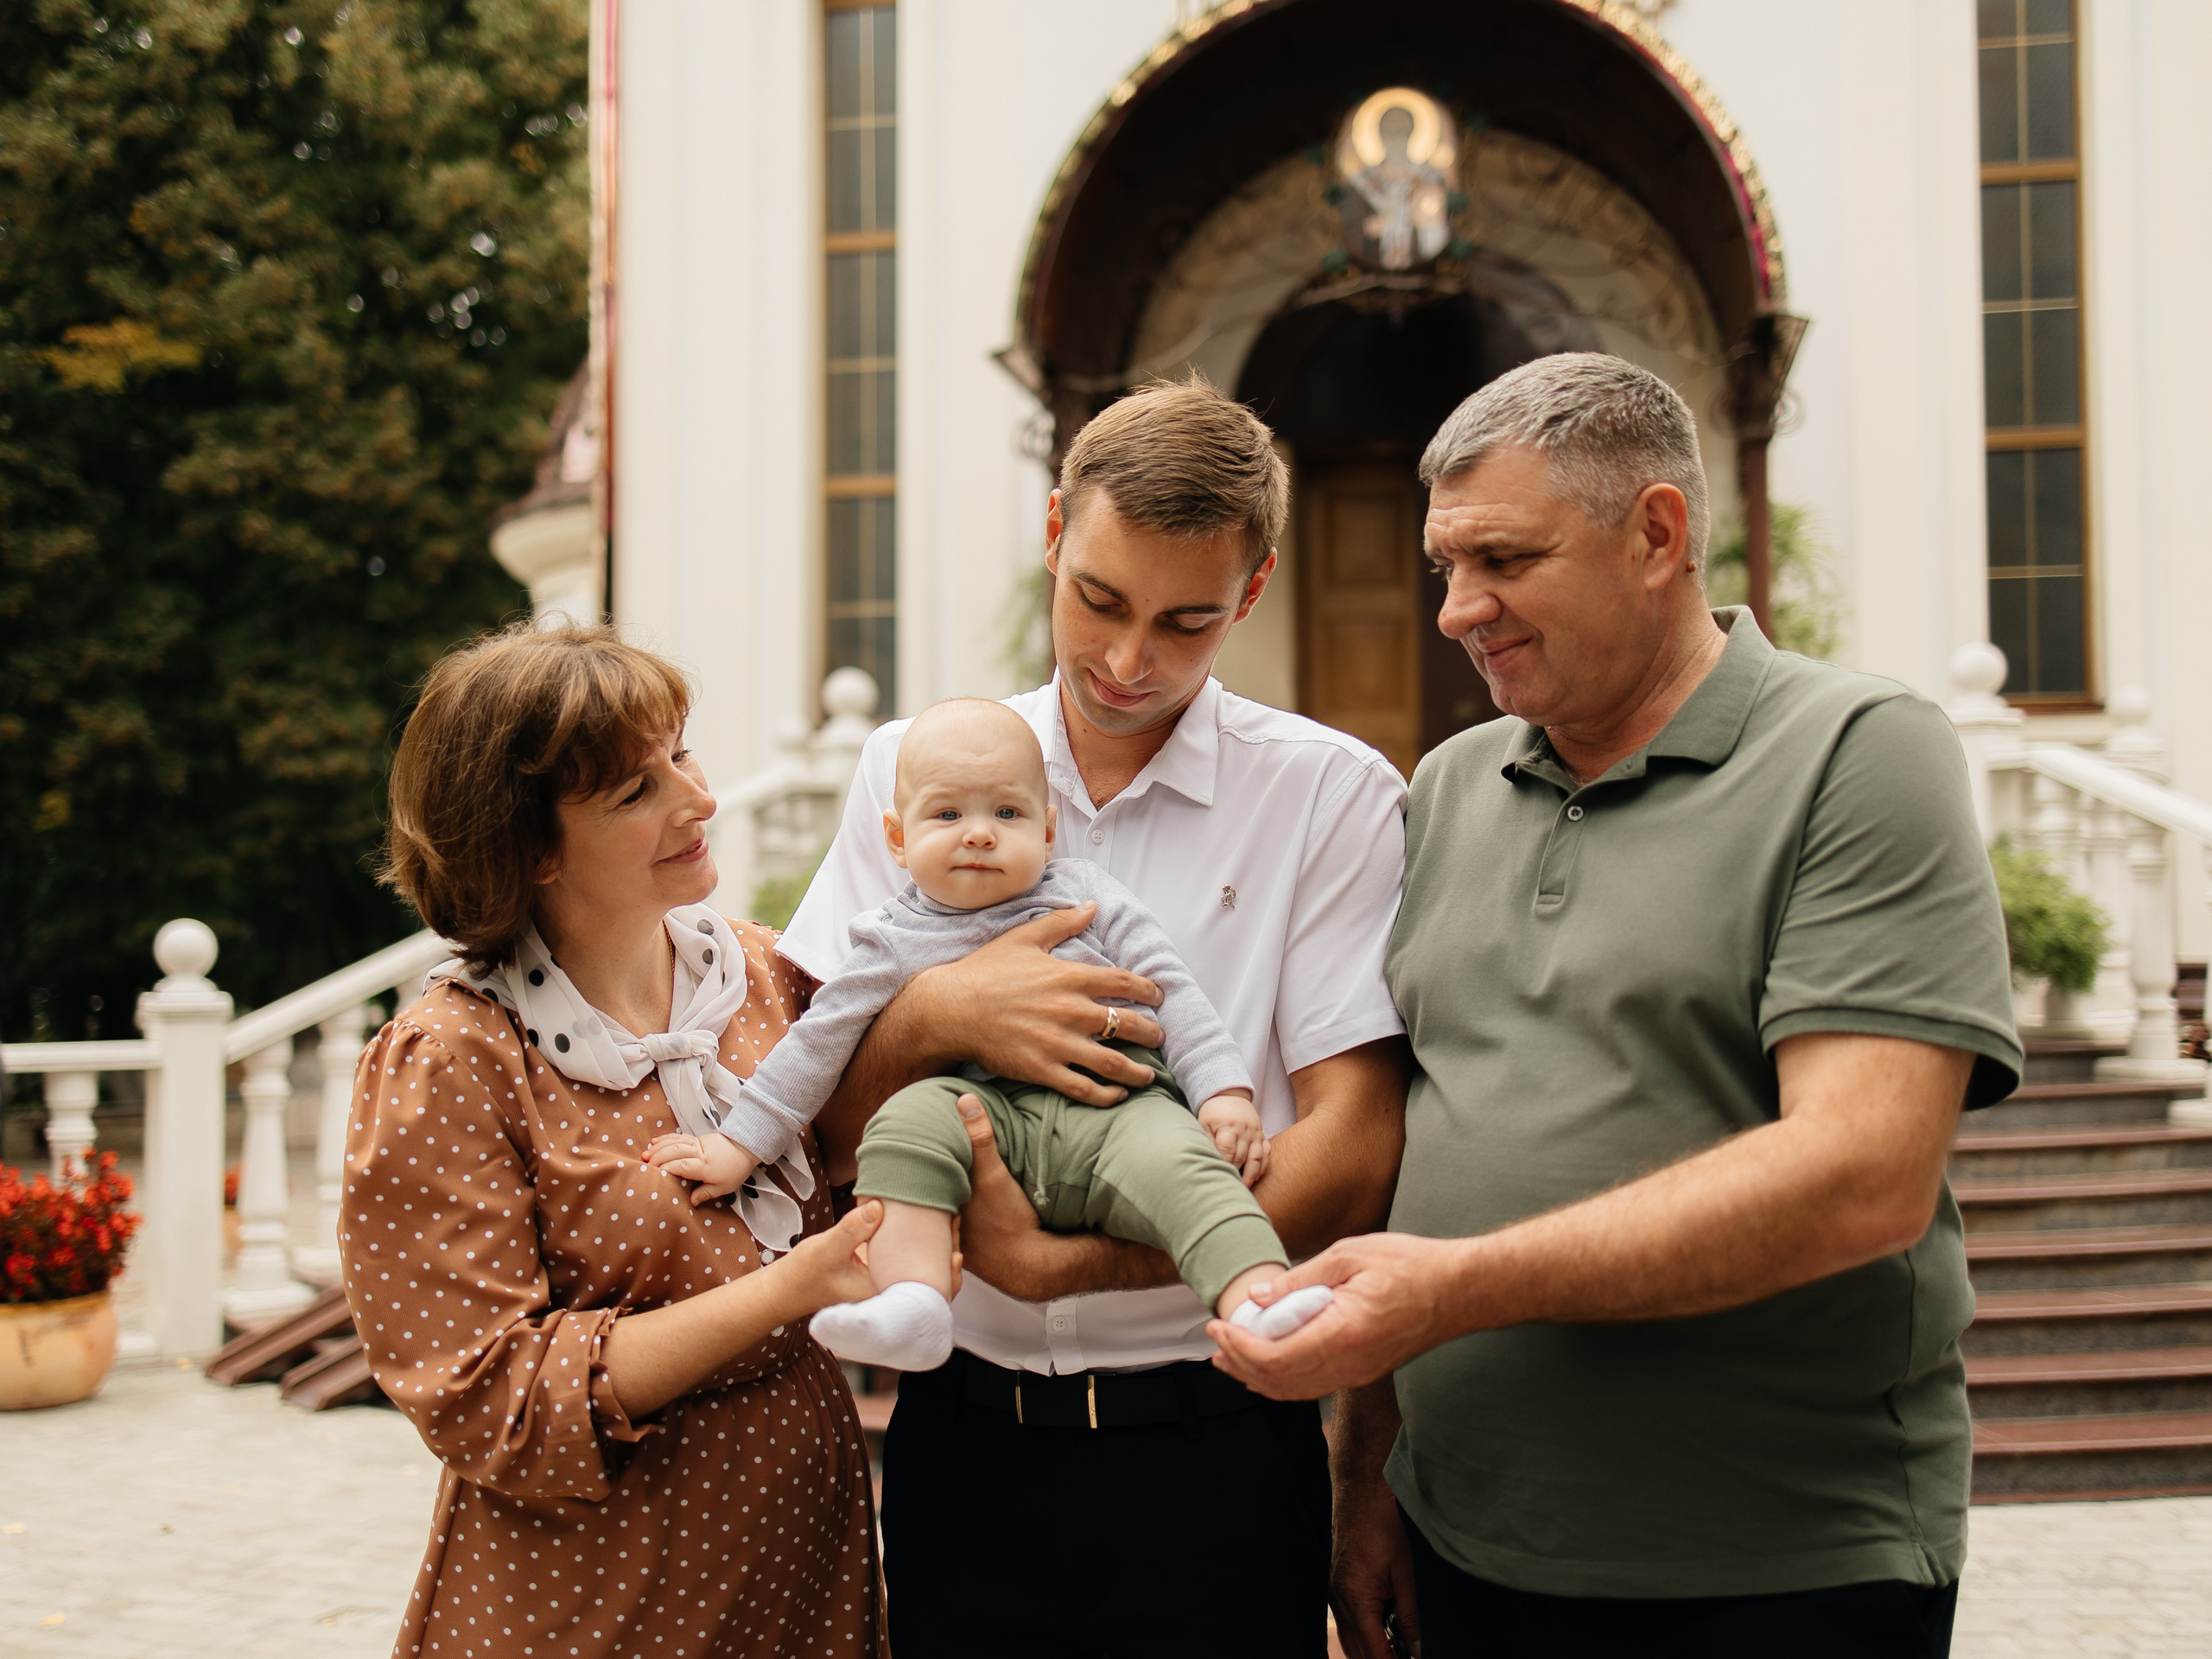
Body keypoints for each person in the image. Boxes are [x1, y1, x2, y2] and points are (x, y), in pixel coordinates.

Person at [1211, 353, 2024, 1659]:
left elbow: (1863, 1173)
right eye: (1444, 567)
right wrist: (1367, 1476)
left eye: (1506, 560)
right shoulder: (1453, 788)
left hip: (1779, 1569)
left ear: (1657, 534)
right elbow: (1420, 1150)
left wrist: (1456, 1292)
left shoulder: (1858, 756)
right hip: (1468, 1549)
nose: (1456, 610)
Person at [779, 378, 1412, 1657]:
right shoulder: (912, 772)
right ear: (1057, 529)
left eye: (1185, 623)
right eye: (1101, 602)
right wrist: (947, 1010)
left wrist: (1075, 1266)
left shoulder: (1332, 798)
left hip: (1223, 1451)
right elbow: (817, 1120)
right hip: (962, 1443)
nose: (1129, 663)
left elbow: (1357, 1149)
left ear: (1255, 588)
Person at [340, 623, 892, 1659]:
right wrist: (781, 1292)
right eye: (636, 792)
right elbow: (488, 1397)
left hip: (800, 1566)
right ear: (533, 849)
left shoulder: (771, 978)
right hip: (593, 1598)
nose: (698, 800)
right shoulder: (455, 1055)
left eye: (678, 755)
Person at [647, 697, 1333, 1370]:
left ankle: (1255, 1295)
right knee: (905, 1126)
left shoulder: (1085, 897)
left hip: (1119, 1109)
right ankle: (912, 1298)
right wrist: (740, 1145)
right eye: (948, 814)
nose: (979, 833)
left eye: (1007, 813)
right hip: (984, 1119)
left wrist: (1223, 1093)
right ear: (897, 838)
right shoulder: (890, 939)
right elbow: (816, 1043)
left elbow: (1170, 989)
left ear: (1045, 830)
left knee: (1193, 1171)